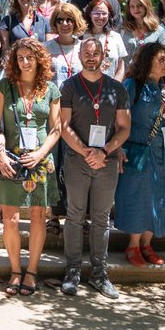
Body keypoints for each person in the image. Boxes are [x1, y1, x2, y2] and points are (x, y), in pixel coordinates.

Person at [58, 38, 132, 299]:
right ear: (79, 55)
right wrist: (87, 152)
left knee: (101, 218)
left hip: (107, 161)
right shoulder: (69, 86)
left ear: (104, 56)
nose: (91, 57)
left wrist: (105, 151)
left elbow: (124, 127)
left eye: (96, 53)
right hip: (78, 161)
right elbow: (63, 126)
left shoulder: (116, 89)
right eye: (87, 53)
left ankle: (100, 275)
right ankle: (73, 272)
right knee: (75, 215)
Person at [0, 38, 62, 297]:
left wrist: (42, 153)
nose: (25, 61)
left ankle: (31, 271)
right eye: (20, 57)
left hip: (40, 160)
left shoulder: (51, 89)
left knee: (38, 216)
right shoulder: (4, 86)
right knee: (10, 218)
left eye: (29, 57)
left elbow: (56, 128)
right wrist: (0, 153)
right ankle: (15, 270)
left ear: (39, 59)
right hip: (12, 160)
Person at [116, 43, 165, 266]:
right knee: (138, 196)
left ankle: (147, 244)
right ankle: (133, 245)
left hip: (164, 153)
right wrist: (116, 147)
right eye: (161, 59)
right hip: (137, 151)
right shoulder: (132, 85)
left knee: (161, 196)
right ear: (147, 61)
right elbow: (117, 119)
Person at [83, 0, 128, 81]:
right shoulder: (81, 37)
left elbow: (121, 67)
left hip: (110, 89)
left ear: (109, 15)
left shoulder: (116, 37)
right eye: (96, 13)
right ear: (90, 14)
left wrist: (115, 85)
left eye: (104, 13)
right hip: (85, 87)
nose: (100, 17)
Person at [121, 0, 165, 68]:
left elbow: (162, 55)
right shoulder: (123, 28)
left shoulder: (159, 30)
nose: (136, 9)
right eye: (132, 6)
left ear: (146, 6)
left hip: (149, 76)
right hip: (126, 77)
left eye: (139, 5)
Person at [45, 2, 85, 85]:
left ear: (76, 22)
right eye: (60, 20)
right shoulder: (45, 48)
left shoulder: (83, 47)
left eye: (69, 20)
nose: (64, 24)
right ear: (55, 23)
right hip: (54, 97)